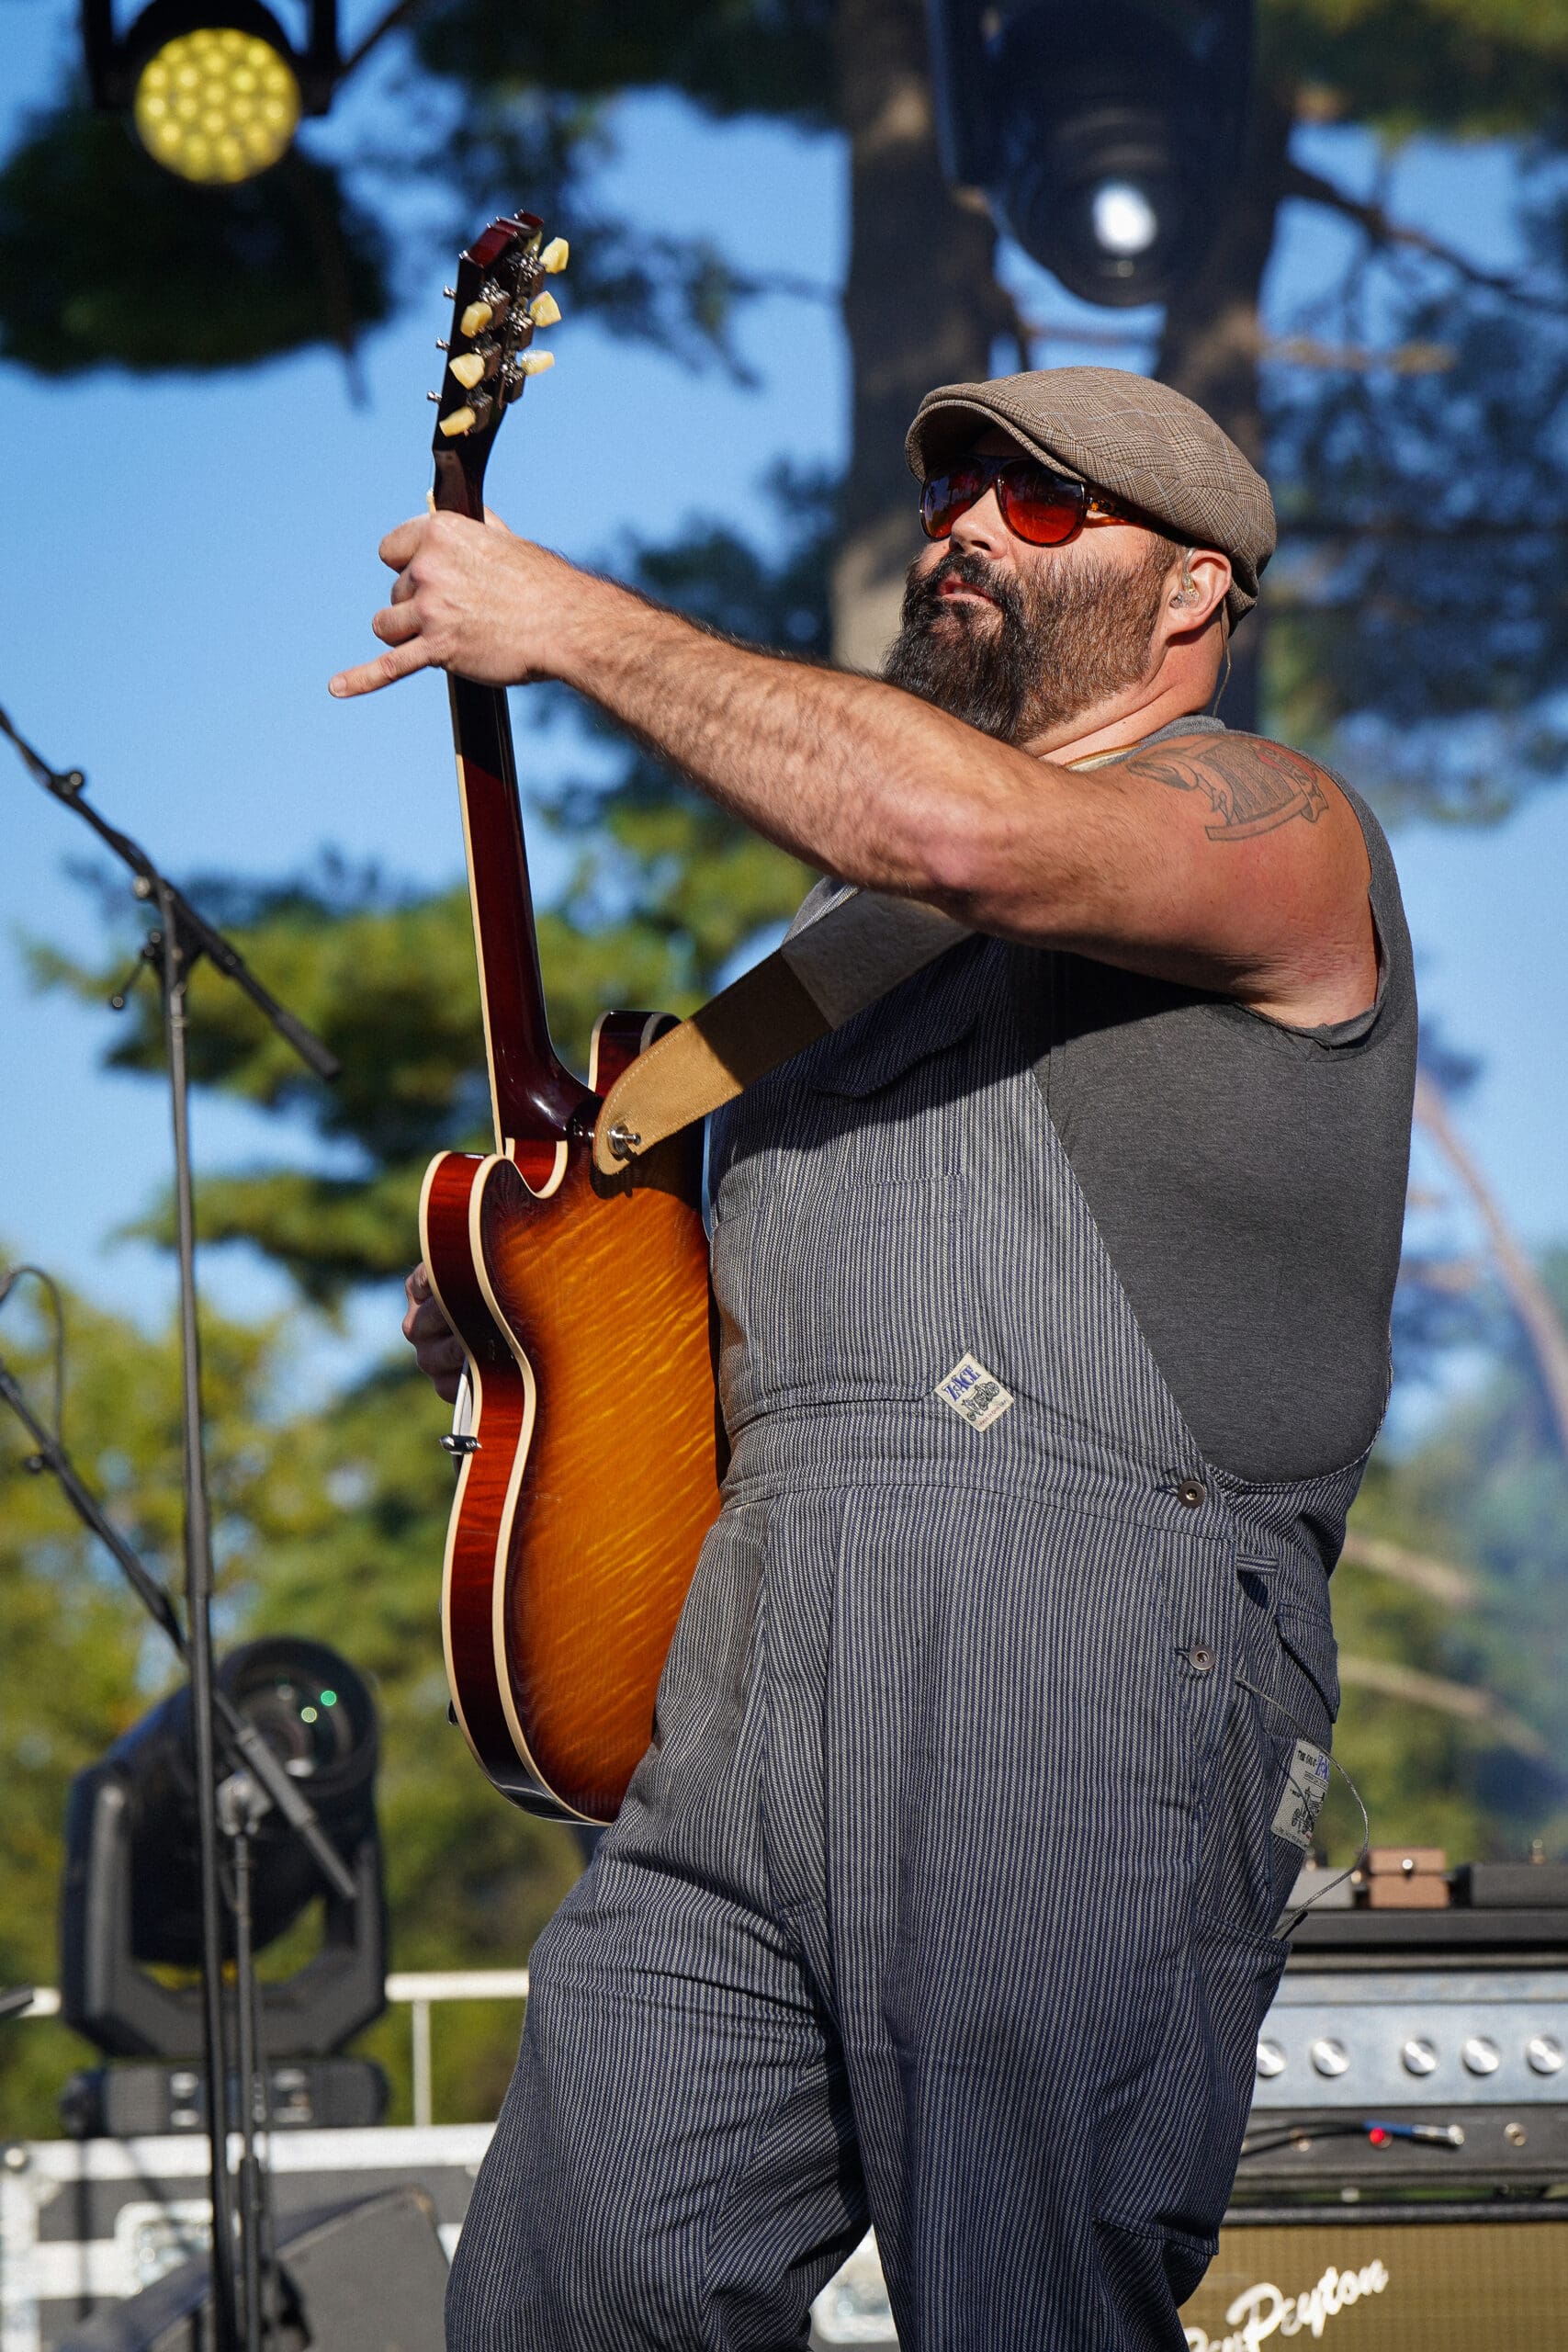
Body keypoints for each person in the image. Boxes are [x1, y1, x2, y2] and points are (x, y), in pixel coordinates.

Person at [333, 368, 1416, 2350]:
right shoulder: (836, 949)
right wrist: (523, 1291)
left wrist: (567, 618)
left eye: (1033, 500)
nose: (963, 522)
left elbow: (958, 824)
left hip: (1079, 1655)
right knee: (572, 2294)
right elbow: (611, 1204)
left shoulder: (1267, 825)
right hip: (747, 1690)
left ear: (1185, 596)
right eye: (951, 489)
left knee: (1021, 2304)